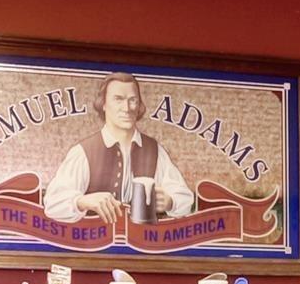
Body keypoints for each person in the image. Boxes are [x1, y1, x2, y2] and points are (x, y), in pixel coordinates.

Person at [44, 74, 196, 226]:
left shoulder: (154, 150)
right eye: (118, 99)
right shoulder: (84, 151)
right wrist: (81, 201)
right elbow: (52, 203)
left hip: (144, 244)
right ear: (103, 104)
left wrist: (171, 202)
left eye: (133, 100)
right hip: (94, 244)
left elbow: (187, 200)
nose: (127, 108)